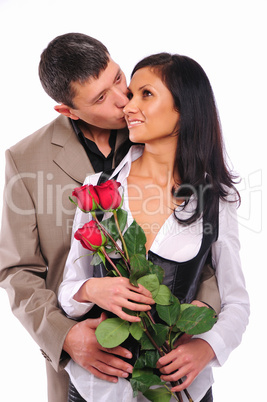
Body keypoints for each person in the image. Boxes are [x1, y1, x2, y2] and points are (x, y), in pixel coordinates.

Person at [0, 33, 219, 401]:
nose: (123, 101)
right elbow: (16, 271)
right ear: (68, 111)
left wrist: (203, 323)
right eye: (101, 98)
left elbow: (203, 242)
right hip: (87, 369)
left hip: (171, 361)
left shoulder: (156, 128)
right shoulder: (24, 161)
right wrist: (65, 337)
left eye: (117, 78)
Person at [58, 53, 250, 402]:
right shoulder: (98, 188)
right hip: (97, 389)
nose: (128, 106)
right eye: (131, 94)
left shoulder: (215, 199)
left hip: (179, 390)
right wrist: (91, 290)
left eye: (146, 94)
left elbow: (236, 301)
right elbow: (68, 293)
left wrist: (207, 347)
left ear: (184, 108)